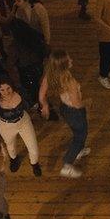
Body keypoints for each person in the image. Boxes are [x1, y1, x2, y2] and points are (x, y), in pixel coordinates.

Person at [39, 49, 91, 178]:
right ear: (63, 65)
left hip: (64, 109)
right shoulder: (70, 82)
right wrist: (88, 102)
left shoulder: (50, 75)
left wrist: (45, 105)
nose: (71, 60)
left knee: (77, 132)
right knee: (81, 135)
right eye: (69, 60)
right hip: (75, 112)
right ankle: (67, 165)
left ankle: (78, 151)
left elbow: (41, 95)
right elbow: (77, 103)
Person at [0, 79, 41, 177]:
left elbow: (31, 103)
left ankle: (34, 164)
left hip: (23, 121)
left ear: (12, 86)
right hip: (6, 126)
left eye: (8, 88)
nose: (6, 92)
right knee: (10, 146)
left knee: (33, 147)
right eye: (2, 90)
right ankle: (14, 160)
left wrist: (41, 108)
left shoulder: (21, 93)